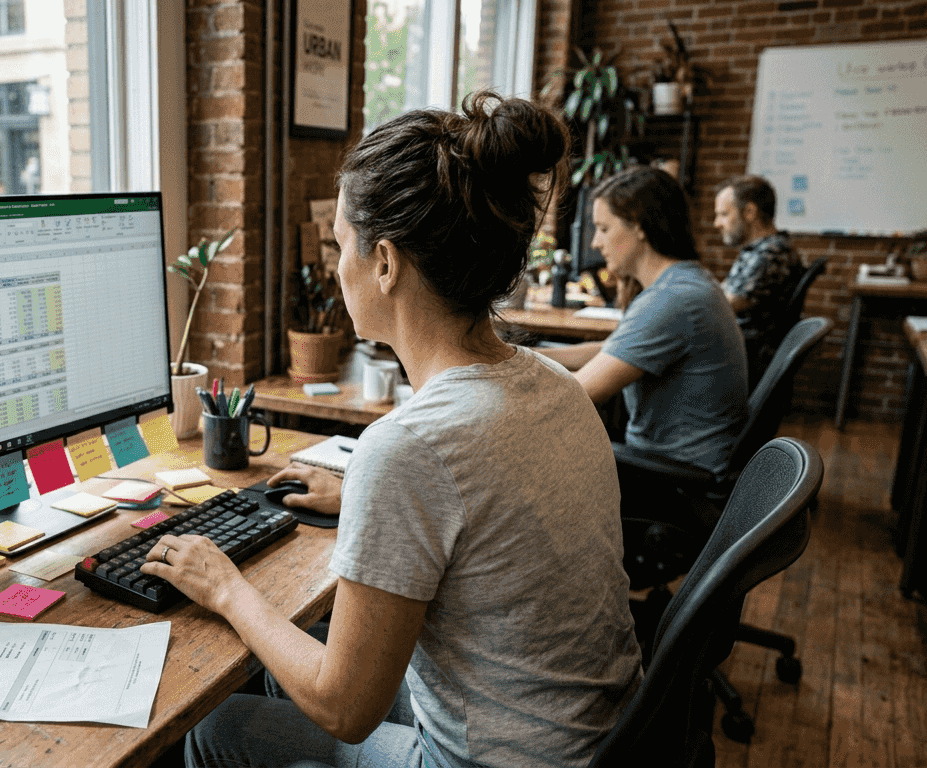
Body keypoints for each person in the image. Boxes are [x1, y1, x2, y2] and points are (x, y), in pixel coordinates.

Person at [142, 92, 643, 768]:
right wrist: (361, 498)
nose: (334, 267)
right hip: (592, 736)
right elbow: (493, 512)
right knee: (273, 666)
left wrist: (227, 588)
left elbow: (345, 709)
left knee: (215, 727)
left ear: (384, 262)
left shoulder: (410, 448)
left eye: (341, 246)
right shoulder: (552, 384)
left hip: (493, 759)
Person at [539, 166, 748, 480]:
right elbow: (610, 350)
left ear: (638, 226)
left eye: (604, 228)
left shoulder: (671, 300)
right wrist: (522, 355)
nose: (595, 242)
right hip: (683, 464)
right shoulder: (686, 281)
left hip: (673, 478)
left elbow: (579, 391)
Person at [713, 175, 806, 381]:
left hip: (741, 361)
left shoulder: (770, 255)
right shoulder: (760, 251)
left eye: (723, 214)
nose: (716, 223)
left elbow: (722, 305)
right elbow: (720, 294)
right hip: (736, 352)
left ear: (749, 212)